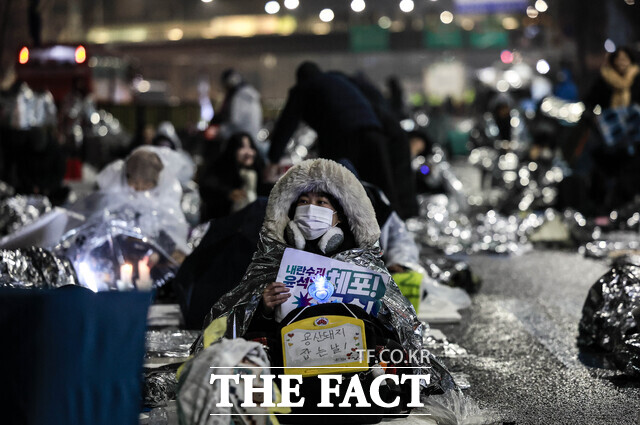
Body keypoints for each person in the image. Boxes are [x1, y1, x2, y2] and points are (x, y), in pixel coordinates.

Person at [267, 61, 399, 209]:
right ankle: (395, 226)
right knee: (383, 188)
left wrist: (273, 158)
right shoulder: (338, 80)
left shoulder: (304, 87)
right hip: (374, 132)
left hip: (346, 139)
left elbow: (286, 124)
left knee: (340, 189)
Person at [199, 131, 266, 220]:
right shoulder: (220, 168)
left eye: (250, 147)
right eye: (242, 147)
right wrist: (228, 193)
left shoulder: (259, 168)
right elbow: (207, 188)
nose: (249, 152)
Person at [211, 68, 262, 141]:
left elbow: (236, 122)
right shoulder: (248, 95)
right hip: (249, 138)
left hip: (241, 139)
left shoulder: (240, 97)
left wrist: (221, 130)